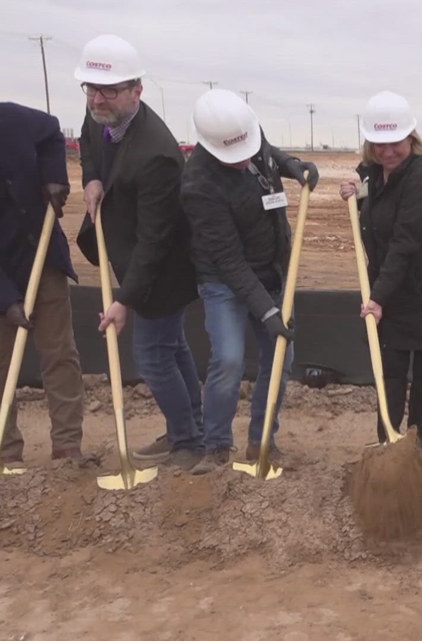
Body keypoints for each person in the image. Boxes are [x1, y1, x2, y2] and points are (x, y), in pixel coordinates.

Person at [72, 34, 202, 470]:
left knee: (153, 356)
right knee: (173, 348)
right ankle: (190, 429)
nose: (98, 98)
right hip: (133, 255)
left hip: (162, 272)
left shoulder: (158, 154)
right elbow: (90, 143)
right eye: (92, 89)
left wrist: (124, 300)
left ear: (136, 91)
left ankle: (188, 443)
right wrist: (91, 178)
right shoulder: (100, 115)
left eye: (109, 90)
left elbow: (155, 239)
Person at [180, 89, 319, 473]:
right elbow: (228, 261)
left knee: (280, 357)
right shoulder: (198, 185)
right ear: (211, 146)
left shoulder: (245, 131)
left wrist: (292, 164)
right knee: (228, 359)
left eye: (247, 150)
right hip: (224, 280)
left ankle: (262, 442)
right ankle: (216, 447)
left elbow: (267, 152)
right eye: (234, 157)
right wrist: (268, 310)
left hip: (271, 268)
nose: (245, 159)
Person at [338, 91, 422, 450]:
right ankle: (388, 444)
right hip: (394, 291)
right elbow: (378, 196)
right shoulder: (379, 173)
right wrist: (360, 189)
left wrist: (377, 298)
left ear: (411, 137)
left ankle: (415, 441)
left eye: (395, 143)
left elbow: (404, 242)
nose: (388, 152)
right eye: (379, 144)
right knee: (391, 372)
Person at [0, 102, 87, 467]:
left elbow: (52, 131)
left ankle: (67, 448)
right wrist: (7, 301)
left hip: (42, 255)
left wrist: (55, 177)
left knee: (60, 354)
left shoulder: (14, 119)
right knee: (2, 365)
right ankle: (6, 453)